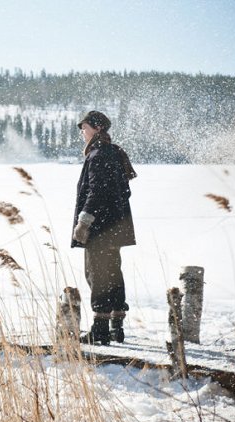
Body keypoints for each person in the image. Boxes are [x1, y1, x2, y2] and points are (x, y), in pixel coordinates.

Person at [72, 111, 137, 345]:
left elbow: (96, 191)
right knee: (112, 273)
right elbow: (123, 190)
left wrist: (85, 221)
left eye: (85, 126)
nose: (82, 131)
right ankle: (115, 327)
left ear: (97, 128)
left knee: (96, 273)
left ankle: (100, 329)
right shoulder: (113, 152)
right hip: (114, 225)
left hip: (99, 227)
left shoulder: (98, 154)